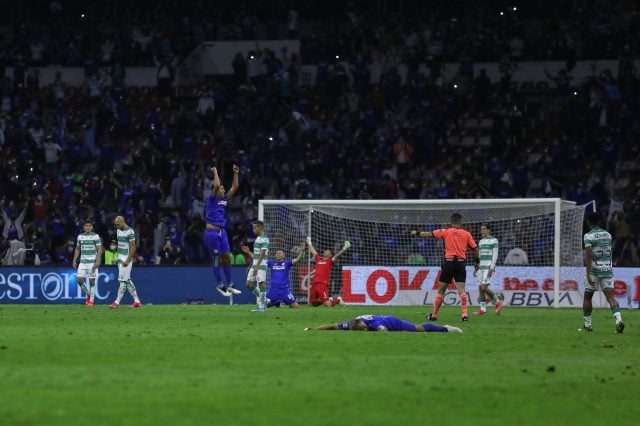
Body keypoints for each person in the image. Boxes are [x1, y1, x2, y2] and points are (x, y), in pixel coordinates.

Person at [411, 212, 479, 322]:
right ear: (461, 221)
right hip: (461, 264)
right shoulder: (467, 234)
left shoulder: (445, 231)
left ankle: (434, 315)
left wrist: (416, 232)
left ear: (451, 221)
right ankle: (464, 315)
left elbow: (428, 234)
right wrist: (477, 262)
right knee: (461, 290)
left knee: (441, 290)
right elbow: (475, 249)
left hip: (449, 263)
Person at [582, 212, 624, 333]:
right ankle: (618, 320)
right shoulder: (608, 235)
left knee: (588, 297)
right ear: (599, 221)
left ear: (589, 222)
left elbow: (589, 255)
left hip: (595, 270)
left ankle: (588, 325)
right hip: (607, 269)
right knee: (611, 297)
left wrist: (588, 273)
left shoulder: (588, 236)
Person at [204, 165, 241, 297]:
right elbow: (217, 185)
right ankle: (220, 285)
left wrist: (236, 173)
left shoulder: (224, 199)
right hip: (211, 234)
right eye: (222, 188)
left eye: (224, 188)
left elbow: (234, 188)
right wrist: (215, 171)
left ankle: (230, 284)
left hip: (222, 232)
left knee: (226, 258)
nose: (223, 189)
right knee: (216, 259)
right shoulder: (212, 199)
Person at [306, 237, 350, 307]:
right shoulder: (319, 259)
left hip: (322, 284)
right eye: (325, 251)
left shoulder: (329, 261)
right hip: (314, 283)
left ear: (330, 255)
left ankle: (338, 300)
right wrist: (309, 243)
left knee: (328, 305)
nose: (325, 251)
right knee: (311, 304)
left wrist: (344, 248)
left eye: (327, 251)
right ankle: (329, 299)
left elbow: (337, 256)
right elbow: (313, 251)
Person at [109, 216, 142, 308]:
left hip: (127, 259)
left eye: (118, 224)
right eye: (115, 225)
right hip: (120, 259)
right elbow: (120, 246)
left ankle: (117, 302)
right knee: (127, 280)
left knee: (122, 280)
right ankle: (137, 301)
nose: (116, 227)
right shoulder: (118, 231)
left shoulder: (130, 231)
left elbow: (133, 247)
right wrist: (117, 258)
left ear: (122, 221)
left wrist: (127, 260)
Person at [304, 315, 462, 333]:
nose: (363, 330)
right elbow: (332, 325)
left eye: (363, 329)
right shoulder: (352, 323)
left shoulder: (374, 324)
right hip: (384, 321)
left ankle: (446, 329)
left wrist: (377, 331)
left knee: (417, 328)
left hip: (392, 321)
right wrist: (314, 329)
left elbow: (383, 331)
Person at [474, 223, 504, 315]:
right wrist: (477, 266)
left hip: (488, 267)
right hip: (481, 267)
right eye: (481, 229)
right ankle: (483, 309)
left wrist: (492, 267)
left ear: (488, 230)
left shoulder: (494, 240)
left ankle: (497, 301)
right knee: (480, 288)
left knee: (483, 287)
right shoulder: (481, 241)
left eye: (484, 229)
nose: (482, 231)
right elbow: (480, 254)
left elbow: (495, 255)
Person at [265, 243, 306, 308]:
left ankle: (279, 303)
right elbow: (260, 260)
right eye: (277, 253)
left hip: (284, 291)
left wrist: (302, 251)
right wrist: (249, 253)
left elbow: (298, 259)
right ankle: (276, 303)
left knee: (296, 307)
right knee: (264, 305)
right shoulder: (271, 262)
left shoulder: (287, 263)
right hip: (273, 290)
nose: (278, 254)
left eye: (280, 253)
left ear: (284, 255)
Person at [72, 220, 103, 306]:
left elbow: (99, 249)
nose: (88, 227)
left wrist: (98, 260)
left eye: (90, 225)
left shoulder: (95, 236)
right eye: (86, 225)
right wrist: (74, 260)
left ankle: (91, 301)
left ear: (92, 227)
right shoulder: (80, 237)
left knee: (92, 281)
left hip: (92, 262)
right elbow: (78, 249)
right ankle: (88, 294)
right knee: (79, 279)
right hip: (82, 262)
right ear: (84, 227)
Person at [243, 220, 269, 312]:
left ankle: (261, 307)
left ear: (261, 227)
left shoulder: (264, 238)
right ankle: (264, 299)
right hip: (255, 265)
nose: (253, 229)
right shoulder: (257, 239)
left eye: (255, 227)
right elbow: (256, 256)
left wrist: (257, 266)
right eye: (253, 227)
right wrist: (248, 252)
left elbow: (262, 254)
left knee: (261, 284)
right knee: (248, 284)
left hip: (261, 266)